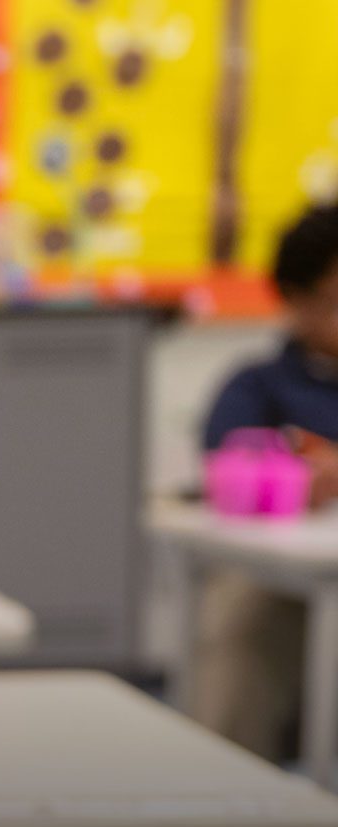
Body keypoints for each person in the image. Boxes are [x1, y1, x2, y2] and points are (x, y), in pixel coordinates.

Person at [193, 203, 338, 761]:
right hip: (287, 582)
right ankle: (231, 810)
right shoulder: (258, 387)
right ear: (297, 302)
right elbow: (224, 464)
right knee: (242, 626)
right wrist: (298, 479)